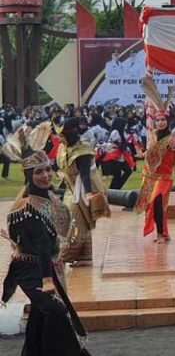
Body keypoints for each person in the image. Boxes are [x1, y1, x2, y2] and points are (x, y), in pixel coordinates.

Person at [1, 123, 91, 355]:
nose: (46, 175)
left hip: (51, 267)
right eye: (38, 172)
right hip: (33, 271)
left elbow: (56, 235)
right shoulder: (28, 208)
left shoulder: (50, 197)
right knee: (57, 312)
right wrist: (46, 280)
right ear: (28, 175)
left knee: (42, 315)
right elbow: (40, 244)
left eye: (48, 169)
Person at [56, 118, 111, 265]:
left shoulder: (83, 149)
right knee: (80, 219)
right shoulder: (64, 147)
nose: (58, 138)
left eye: (61, 135)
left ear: (70, 134)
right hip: (71, 187)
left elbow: (85, 174)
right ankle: (85, 256)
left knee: (74, 221)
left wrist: (88, 193)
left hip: (87, 187)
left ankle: (65, 256)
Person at [135, 77, 175, 243]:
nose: (160, 122)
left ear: (168, 121)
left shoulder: (171, 138)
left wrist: (173, 145)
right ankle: (163, 233)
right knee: (154, 205)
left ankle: (161, 234)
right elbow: (152, 154)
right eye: (158, 120)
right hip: (150, 176)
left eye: (163, 120)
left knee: (157, 201)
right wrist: (143, 154)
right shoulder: (152, 135)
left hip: (164, 177)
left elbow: (172, 151)